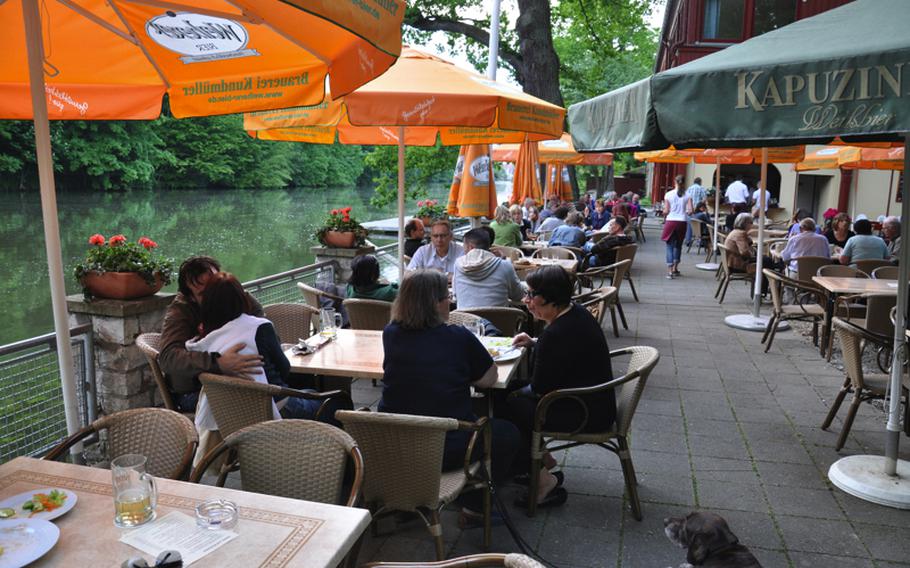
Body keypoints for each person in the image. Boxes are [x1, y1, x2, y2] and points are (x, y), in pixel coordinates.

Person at [379, 270, 520, 523]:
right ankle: (474, 505)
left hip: (395, 443)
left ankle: (410, 498)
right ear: (434, 303)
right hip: (444, 448)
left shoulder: (391, 333)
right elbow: (488, 380)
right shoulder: (458, 337)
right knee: (507, 433)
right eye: (447, 296)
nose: (451, 300)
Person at [509, 266, 616, 509]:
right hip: (595, 400)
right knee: (510, 394)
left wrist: (514, 391)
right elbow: (566, 351)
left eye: (531, 295)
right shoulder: (575, 313)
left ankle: (545, 481)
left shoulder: (556, 333)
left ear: (551, 298)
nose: (526, 300)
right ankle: (543, 464)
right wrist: (535, 342)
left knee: (509, 406)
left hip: (584, 412)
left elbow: (539, 388)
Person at [187, 272, 347, 426]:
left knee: (310, 390)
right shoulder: (259, 327)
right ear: (241, 298)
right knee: (339, 402)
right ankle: (334, 450)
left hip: (232, 416)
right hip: (274, 408)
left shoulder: (203, 341)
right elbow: (284, 368)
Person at [159, 256, 264, 413]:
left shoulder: (237, 297)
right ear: (191, 297)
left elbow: (266, 334)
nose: (214, 296)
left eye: (214, 287)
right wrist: (218, 363)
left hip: (244, 382)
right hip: (196, 392)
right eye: (204, 294)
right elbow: (168, 357)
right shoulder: (180, 311)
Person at [453, 228, 524, 309]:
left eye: (464, 246)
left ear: (470, 247)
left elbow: (455, 295)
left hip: (466, 320)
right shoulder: (505, 265)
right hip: (501, 320)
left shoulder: (458, 264)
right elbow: (518, 295)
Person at [662, 174, 692, 279]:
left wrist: (663, 212)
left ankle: (669, 271)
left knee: (669, 245)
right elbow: (690, 211)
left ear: (675, 182)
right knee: (678, 245)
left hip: (670, 221)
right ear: (684, 183)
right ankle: (675, 268)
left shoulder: (668, 194)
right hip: (682, 222)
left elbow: (666, 211)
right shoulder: (687, 195)